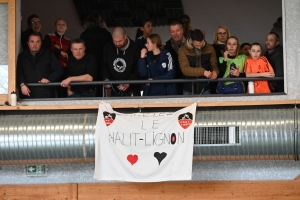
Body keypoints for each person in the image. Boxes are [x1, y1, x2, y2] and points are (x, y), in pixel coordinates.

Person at [17, 32, 63, 98]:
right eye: (32, 42)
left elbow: (59, 70)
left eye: (38, 42)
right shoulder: (22, 56)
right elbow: (19, 72)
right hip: (26, 94)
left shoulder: (48, 54)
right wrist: (22, 85)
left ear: (41, 43)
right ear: (28, 43)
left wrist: (49, 79)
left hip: (46, 94)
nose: (35, 44)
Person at [80, 11, 112, 97]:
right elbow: (110, 51)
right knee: (102, 89)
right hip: (104, 64)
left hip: (89, 65)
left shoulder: (84, 35)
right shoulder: (106, 34)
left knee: (88, 89)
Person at [102, 27, 140, 97]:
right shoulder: (108, 47)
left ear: (126, 36)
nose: (117, 44)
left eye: (120, 41)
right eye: (115, 41)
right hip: (115, 89)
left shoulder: (135, 48)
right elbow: (105, 65)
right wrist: (106, 79)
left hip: (132, 89)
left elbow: (138, 69)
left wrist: (129, 82)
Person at [178, 29, 219, 95]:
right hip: (188, 88)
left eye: (201, 44)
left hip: (205, 87)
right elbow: (185, 69)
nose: (199, 47)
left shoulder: (210, 48)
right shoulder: (183, 50)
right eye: (197, 45)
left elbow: (214, 64)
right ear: (191, 41)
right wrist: (203, 72)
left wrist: (215, 72)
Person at [43, 19, 71, 97]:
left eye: (63, 24)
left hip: (64, 69)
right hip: (52, 69)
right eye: (59, 24)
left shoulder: (68, 41)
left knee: (63, 91)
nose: (61, 26)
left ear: (66, 27)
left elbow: (71, 55)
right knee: (53, 90)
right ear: (55, 26)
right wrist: (58, 52)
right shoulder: (49, 36)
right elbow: (46, 51)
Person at [164, 21, 186, 94]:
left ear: (182, 30)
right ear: (170, 33)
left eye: (177, 31)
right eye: (173, 31)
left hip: (189, 82)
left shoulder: (191, 44)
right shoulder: (166, 47)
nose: (175, 34)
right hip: (173, 84)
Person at [212, 25, 230, 93]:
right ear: (216, 35)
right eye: (220, 33)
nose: (222, 35)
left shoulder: (233, 46)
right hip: (218, 79)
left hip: (231, 80)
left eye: (224, 33)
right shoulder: (212, 48)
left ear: (228, 34)